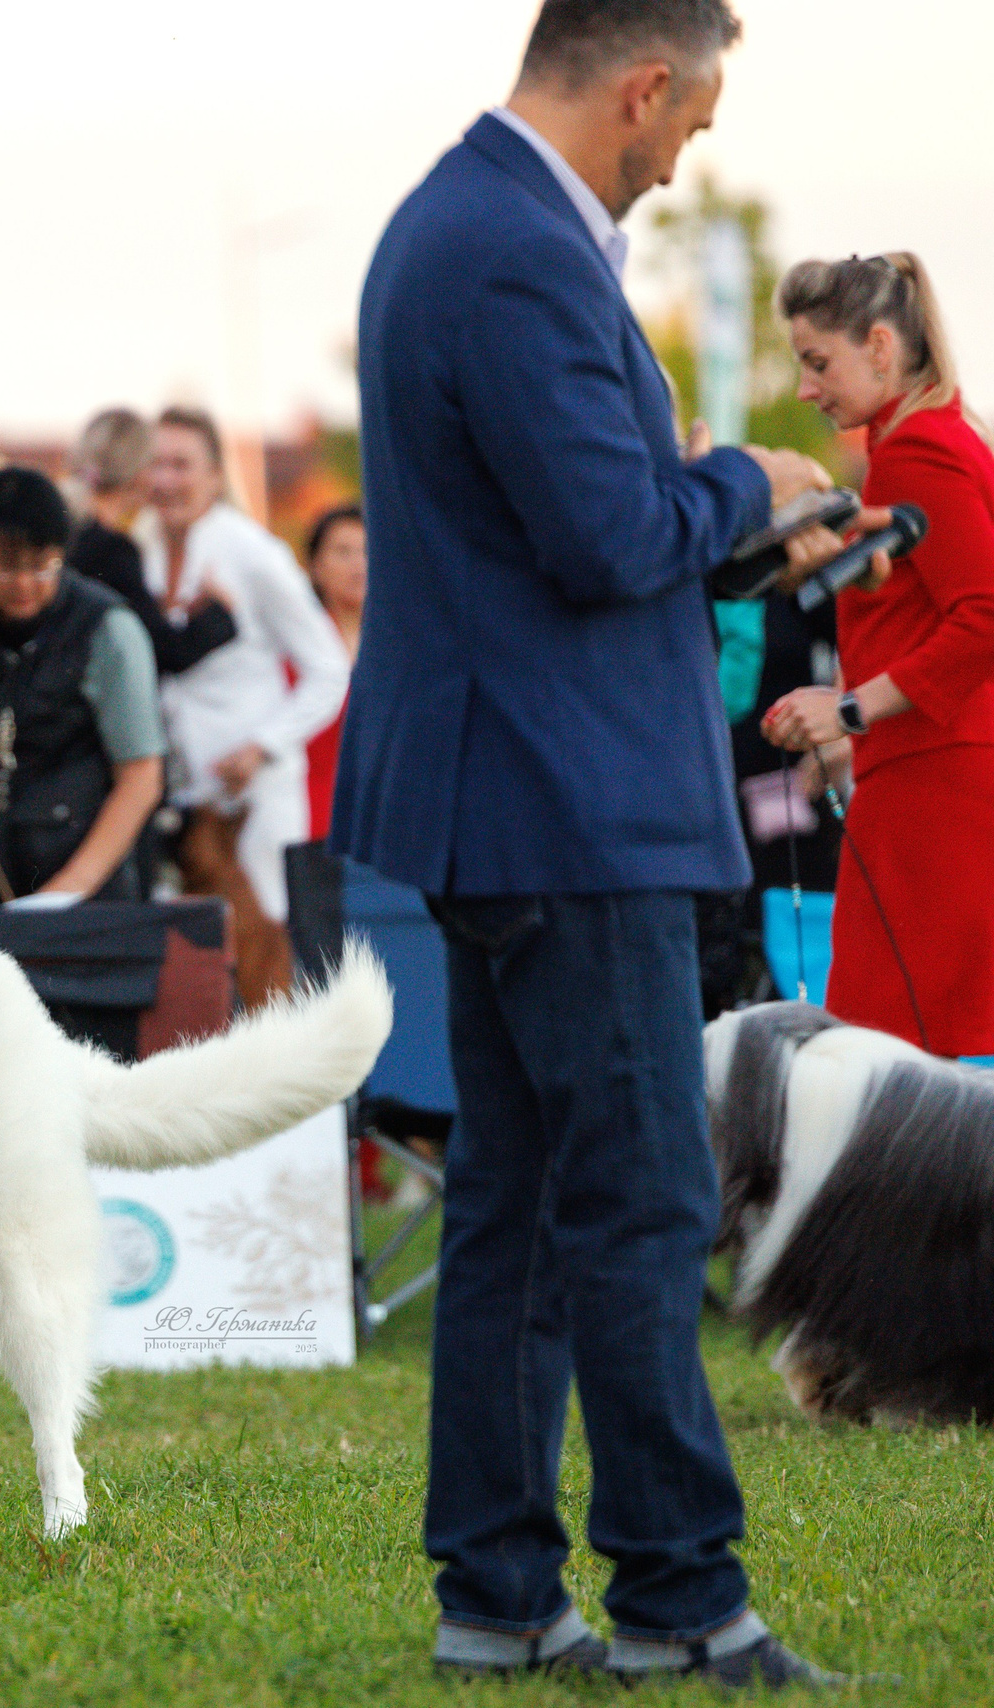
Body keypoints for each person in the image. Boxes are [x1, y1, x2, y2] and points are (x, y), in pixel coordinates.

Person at [334, 0, 855, 1683]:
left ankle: (496, 1588)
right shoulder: (513, 247)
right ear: (643, 84)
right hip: (573, 805)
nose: (687, 149)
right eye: (689, 120)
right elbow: (606, 530)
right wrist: (750, 487)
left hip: (513, 792)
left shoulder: (466, 221)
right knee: (636, 1200)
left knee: (521, 1201)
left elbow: (563, 523)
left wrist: (693, 504)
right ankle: (683, 1601)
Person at [760, 252, 994, 1058]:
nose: (804, 389)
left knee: (882, 1058)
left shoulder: (915, 452)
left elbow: (987, 615)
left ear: (882, 347)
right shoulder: (940, 437)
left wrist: (850, 711)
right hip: (935, 780)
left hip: (934, 793)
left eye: (818, 362)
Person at [0, 467, 166, 907]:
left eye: (41, 565)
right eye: (5, 567)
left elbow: (142, 774)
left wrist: (67, 891)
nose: (25, 583)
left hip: (82, 896)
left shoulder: (108, 629)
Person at [140, 406, 349, 923]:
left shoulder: (255, 554)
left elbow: (328, 669)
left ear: (215, 475)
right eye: (156, 464)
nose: (166, 480)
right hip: (176, 804)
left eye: (181, 465)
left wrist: (262, 748)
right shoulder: (138, 549)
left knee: (269, 968)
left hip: (258, 801)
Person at [64, 406, 241, 677]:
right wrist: (220, 612)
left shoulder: (69, 530)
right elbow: (163, 652)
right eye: (155, 464)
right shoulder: (113, 551)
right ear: (139, 473)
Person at [300, 504, 365, 840]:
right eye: (343, 552)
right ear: (315, 566)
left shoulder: (404, 645)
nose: (358, 565)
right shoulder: (297, 649)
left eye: (367, 552)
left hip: (384, 826)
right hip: (313, 820)